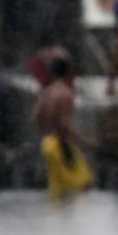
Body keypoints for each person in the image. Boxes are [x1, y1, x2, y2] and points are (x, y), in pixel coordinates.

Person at [34, 54, 94, 199]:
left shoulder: (47, 92)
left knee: (58, 190)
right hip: (62, 145)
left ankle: (56, 221)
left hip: (47, 144)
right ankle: (71, 221)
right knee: (83, 184)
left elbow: (36, 118)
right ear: (70, 73)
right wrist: (83, 142)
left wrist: (49, 131)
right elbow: (64, 123)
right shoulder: (66, 93)